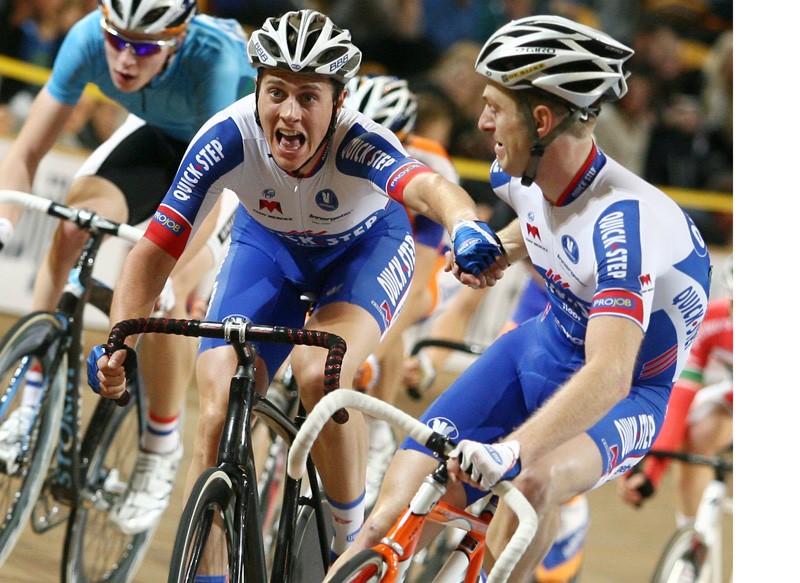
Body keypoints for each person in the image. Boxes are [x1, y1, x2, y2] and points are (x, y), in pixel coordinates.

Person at [87, 8, 507, 572]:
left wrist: (465, 225)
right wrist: (120, 342)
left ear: (338, 104)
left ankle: (349, 541)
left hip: (361, 252)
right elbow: (154, 252)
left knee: (319, 374)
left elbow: (430, 188)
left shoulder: (360, 142)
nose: (288, 112)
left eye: (308, 97)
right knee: (216, 408)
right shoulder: (227, 137)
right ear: (256, 92)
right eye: (276, 92)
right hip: (270, 250)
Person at [332, 15, 712, 581]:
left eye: (494, 106)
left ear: (539, 119)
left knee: (533, 484)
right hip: (540, 348)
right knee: (386, 517)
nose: (481, 121)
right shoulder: (517, 174)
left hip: (625, 393)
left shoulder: (622, 228)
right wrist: (502, 248)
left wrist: (514, 451)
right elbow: (536, 226)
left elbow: (610, 373)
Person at [0, 0, 254, 536]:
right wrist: (5, 221)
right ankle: (33, 396)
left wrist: (168, 277)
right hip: (156, 135)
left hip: (231, 166)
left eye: (143, 48)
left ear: (178, 40)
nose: (124, 58)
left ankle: (159, 448)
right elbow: (25, 151)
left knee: (168, 298)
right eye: (117, 39)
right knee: (72, 224)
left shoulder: (215, 62)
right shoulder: (88, 37)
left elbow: (208, 191)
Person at [341, 72, 460, 510]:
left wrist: (369, 350)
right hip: (357, 242)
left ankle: (376, 429)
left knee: (394, 312)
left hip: (411, 254)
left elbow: (419, 285)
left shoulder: (433, 166)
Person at [618, 254, 732, 526]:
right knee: (699, 432)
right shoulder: (714, 320)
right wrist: (650, 471)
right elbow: (679, 397)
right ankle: (693, 539)